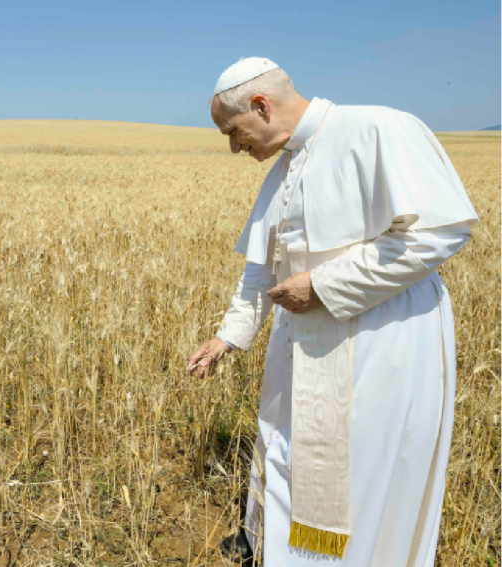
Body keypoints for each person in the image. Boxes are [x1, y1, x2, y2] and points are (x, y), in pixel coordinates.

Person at [188, 57, 478, 566]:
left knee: (357, 470)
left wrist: (322, 286)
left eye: (234, 132)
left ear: (261, 105)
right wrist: (229, 336)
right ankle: (278, 547)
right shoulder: (284, 167)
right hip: (301, 338)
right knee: (285, 447)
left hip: (378, 339)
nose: (234, 147)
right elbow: (262, 265)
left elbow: (439, 232)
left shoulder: (379, 128)